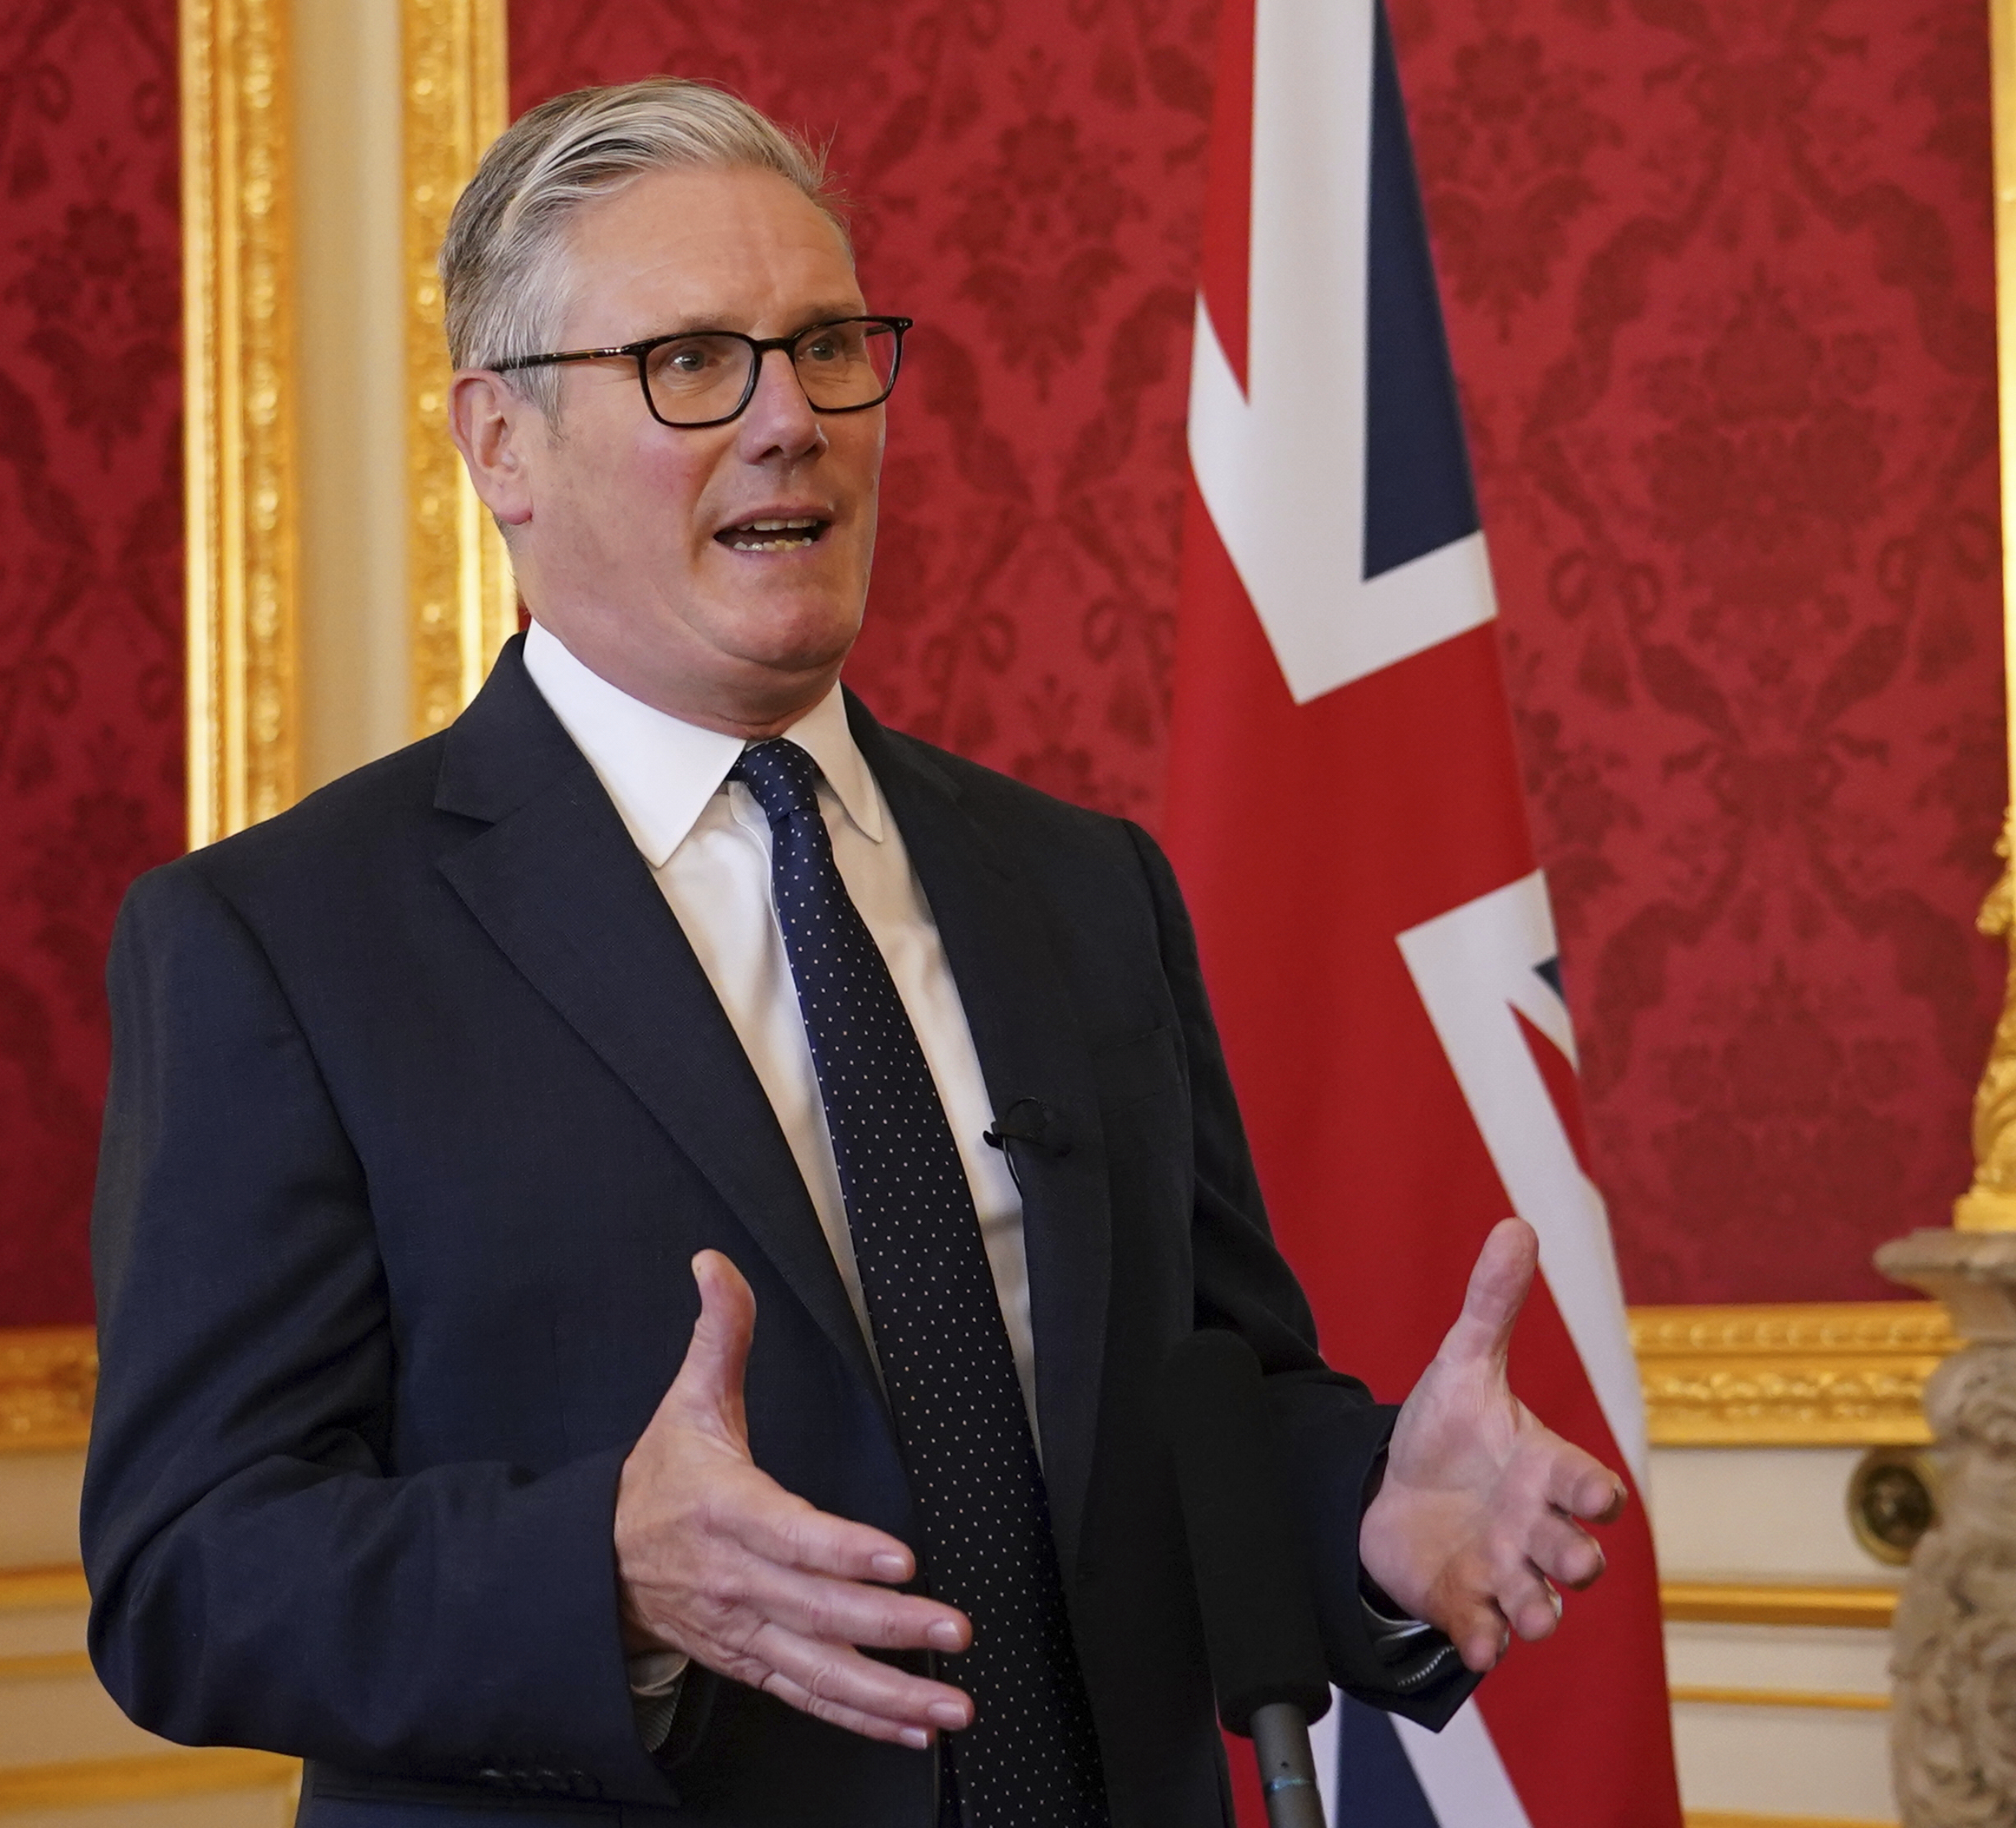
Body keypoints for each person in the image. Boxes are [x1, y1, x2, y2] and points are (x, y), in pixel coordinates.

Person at [82, 77, 1625, 1828]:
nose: (787, 421)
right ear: (497, 442)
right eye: (687, 363)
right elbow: (185, 1579)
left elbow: (1199, 1410)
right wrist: (599, 1569)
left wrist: (1363, 1511)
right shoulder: (284, 941)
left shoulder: (1080, 886)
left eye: (826, 345)